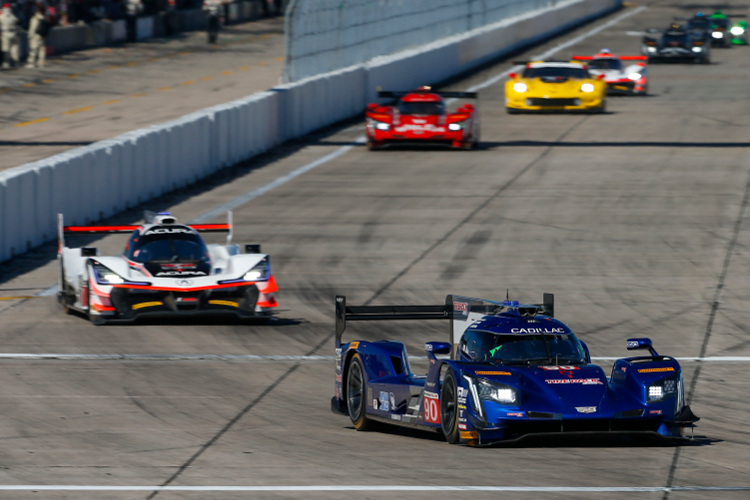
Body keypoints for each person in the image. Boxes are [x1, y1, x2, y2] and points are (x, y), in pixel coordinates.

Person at [26, 2, 48, 68]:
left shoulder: (35, 18)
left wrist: (30, 37)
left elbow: (32, 28)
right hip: (42, 35)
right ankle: (41, 63)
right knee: (42, 49)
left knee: (33, 49)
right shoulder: (44, 18)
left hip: (36, 35)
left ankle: (31, 63)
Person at [0, 2, 20, 68]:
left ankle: (6, 62)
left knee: (6, 48)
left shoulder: (2, 16)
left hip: (5, 33)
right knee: (14, 48)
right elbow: (17, 20)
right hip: (13, 33)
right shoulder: (12, 16)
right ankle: (16, 62)